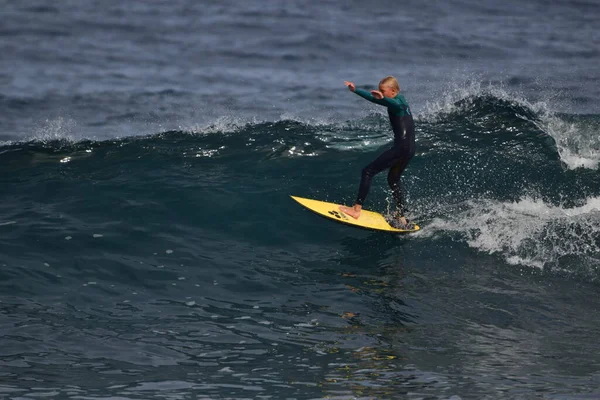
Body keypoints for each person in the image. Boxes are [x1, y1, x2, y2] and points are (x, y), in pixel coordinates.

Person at [339, 76, 415, 228]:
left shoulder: (396, 104)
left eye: (383, 91)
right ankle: (402, 216)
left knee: (367, 172)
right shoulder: (401, 99)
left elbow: (390, 103)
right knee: (393, 180)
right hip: (410, 149)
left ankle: (356, 209)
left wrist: (383, 99)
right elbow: (378, 100)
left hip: (401, 148)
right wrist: (355, 90)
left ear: (393, 91)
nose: (380, 93)